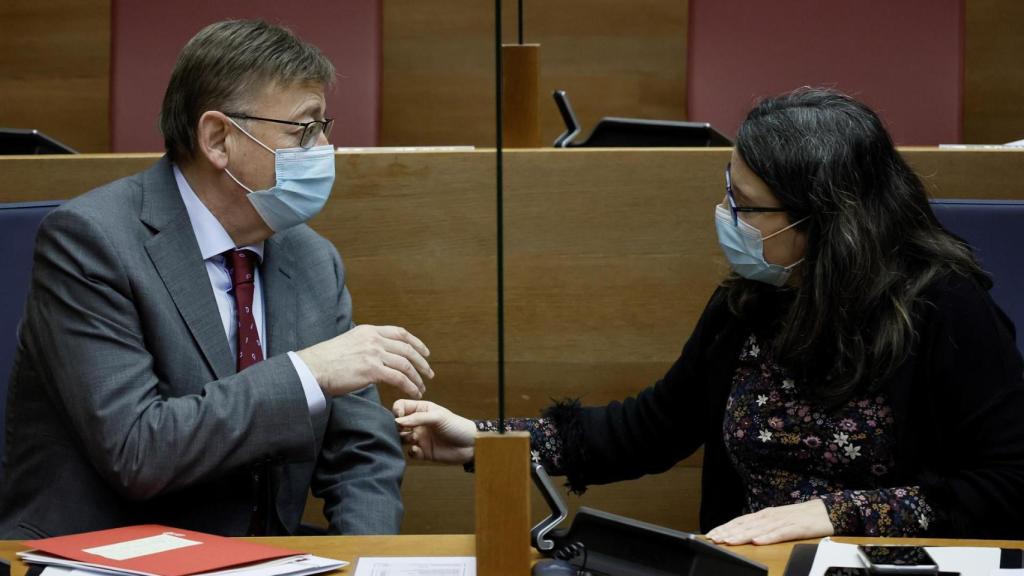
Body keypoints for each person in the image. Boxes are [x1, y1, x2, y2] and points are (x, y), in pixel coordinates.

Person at [393, 88, 1024, 543]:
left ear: (827, 223)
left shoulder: (946, 308)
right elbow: (650, 428)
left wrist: (836, 513)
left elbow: (1008, 484)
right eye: (730, 190)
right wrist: (487, 439)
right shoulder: (751, 301)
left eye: (747, 205)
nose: (728, 216)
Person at [0, 20, 434, 538]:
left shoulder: (312, 258)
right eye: (304, 129)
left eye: (324, 127)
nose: (323, 150)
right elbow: (138, 451)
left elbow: (362, 456)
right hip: (109, 555)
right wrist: (304, 374)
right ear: (218, 138)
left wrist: (366, 561)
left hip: (265, 561)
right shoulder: (91, 242)